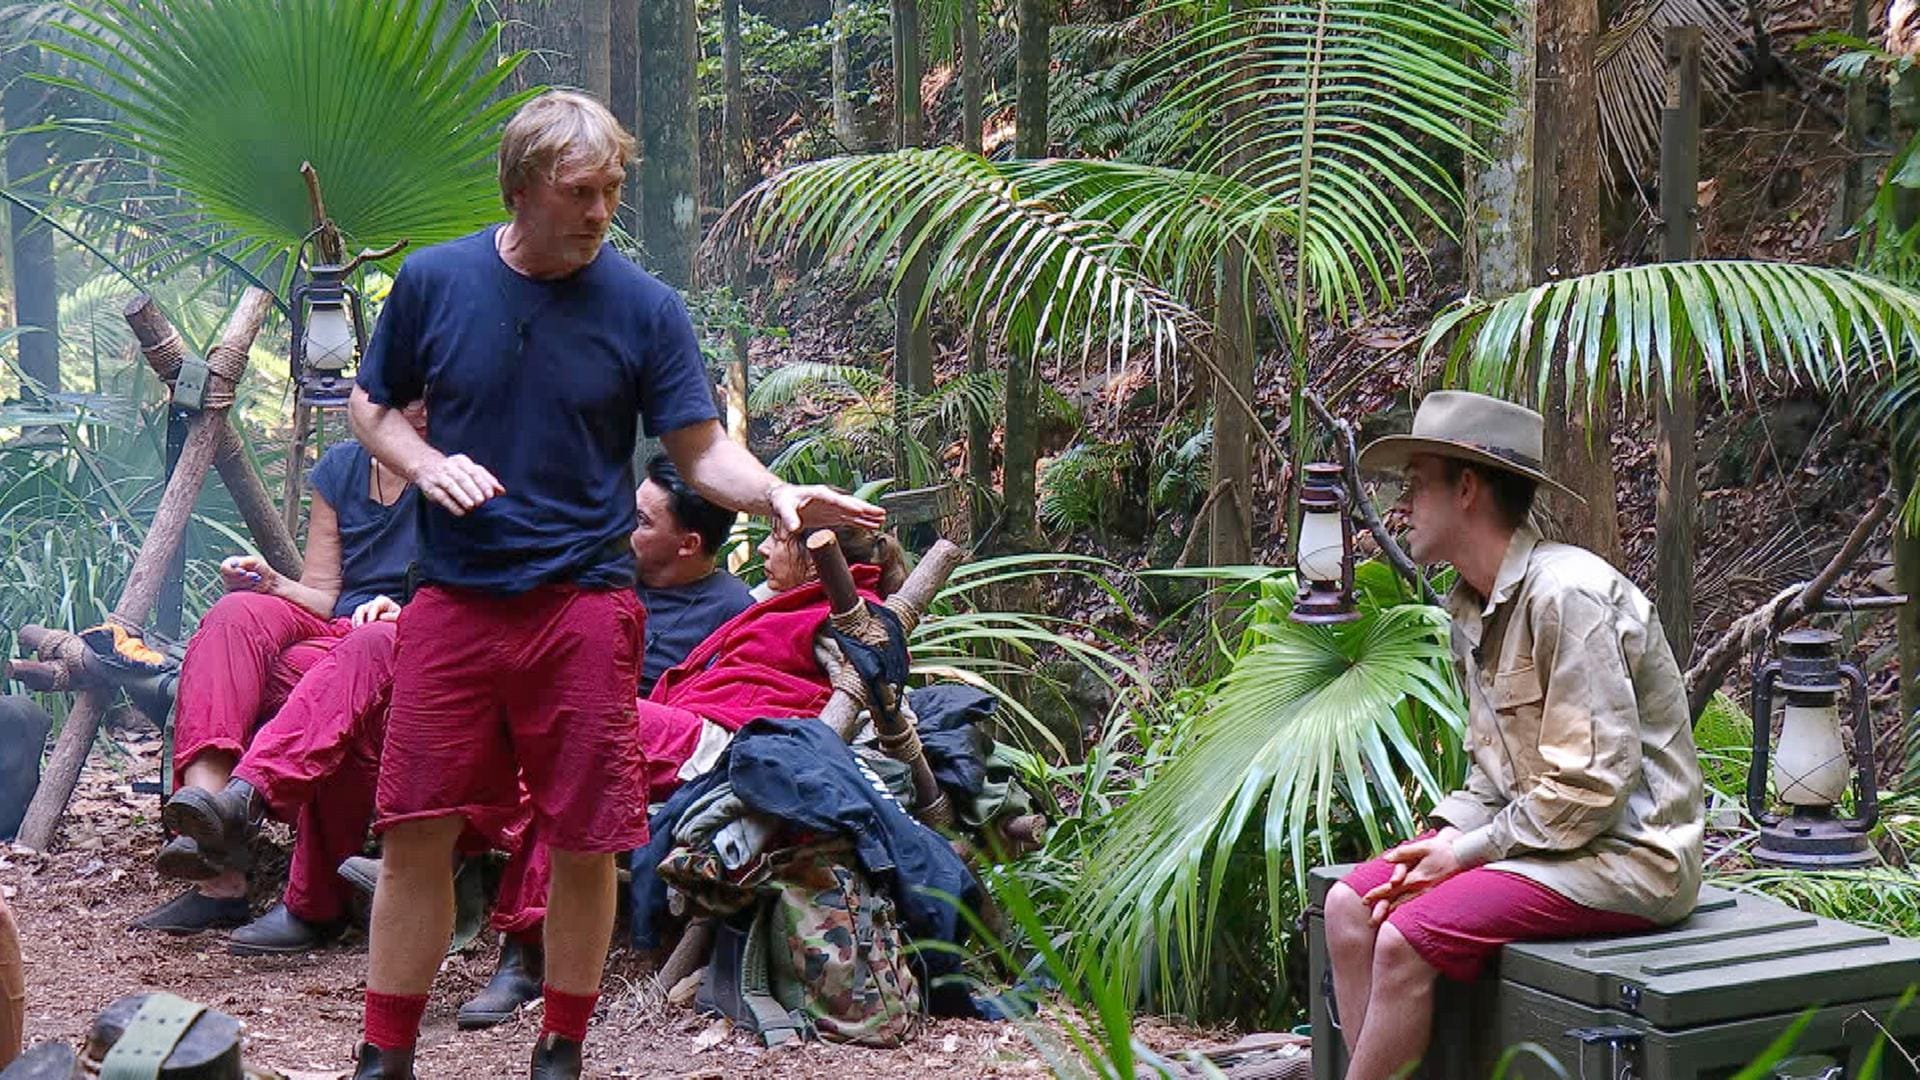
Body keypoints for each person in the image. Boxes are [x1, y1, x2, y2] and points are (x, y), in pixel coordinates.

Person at [344, 90, 881, 1080]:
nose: (600, 211)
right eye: (580, 192)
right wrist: (422, 464)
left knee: (585, 838)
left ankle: (562, 1048)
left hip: (583, 604)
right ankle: (385, 1056)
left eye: (612, 191)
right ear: (520, 190)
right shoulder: (434, 282)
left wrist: (777, 494)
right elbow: (370, 407)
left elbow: (701, 450)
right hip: (454, 599)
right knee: (417, 828)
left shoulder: (643, 308)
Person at [1325, 391, 1704, 1079]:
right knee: (1351, 909)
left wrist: (1470, 853)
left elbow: (1591, 789)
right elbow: (1491, 780)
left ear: (1467, 489)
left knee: (1404, 939)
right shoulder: (1470, 608)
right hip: (1544, 846)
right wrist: (1445, 836)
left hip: (1626, 859)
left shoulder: (1569, 597)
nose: (1401, 507)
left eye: (1416, 486)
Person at [457, 457, 754, 1027]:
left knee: (580, 748)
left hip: (661, 748)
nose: (622, 526)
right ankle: (454, 845)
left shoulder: (732, 611)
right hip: (583, 736)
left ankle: (518, 943)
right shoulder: (602, 578)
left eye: (640, 520)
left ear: (688, 543)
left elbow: (721, 708)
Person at [133, 405, 424, 935]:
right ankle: (208, 825)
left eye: (431, 392)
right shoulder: (340, 470)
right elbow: (324, 594)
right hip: (336, 634)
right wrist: (270, 582)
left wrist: (407, 612)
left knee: (354, 661)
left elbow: (478, 596)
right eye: (405, 392)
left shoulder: (458, 469)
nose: (419, 406)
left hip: (408, 645)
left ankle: (260, 826)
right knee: (235, 613)